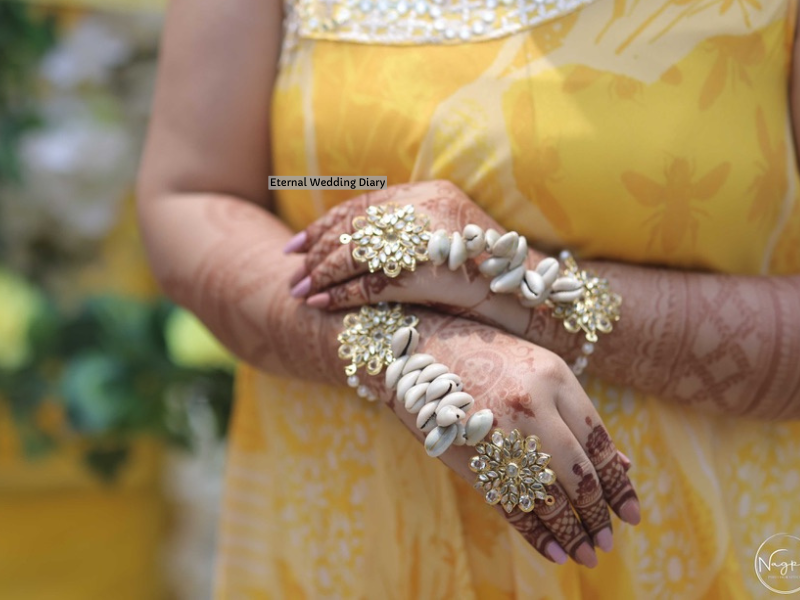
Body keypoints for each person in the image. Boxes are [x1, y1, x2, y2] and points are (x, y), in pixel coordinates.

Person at [137, 0, 800, 596]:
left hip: (687, 551)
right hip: (351, 547)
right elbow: (192, 196)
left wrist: (522, 290)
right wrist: (408, 356)